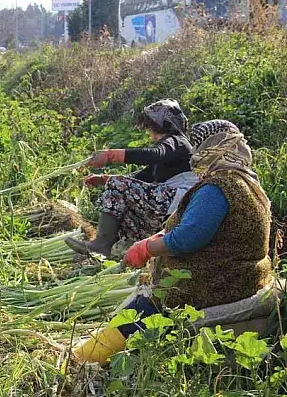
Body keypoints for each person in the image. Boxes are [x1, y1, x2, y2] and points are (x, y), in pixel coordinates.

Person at [73, 120, 273, 364]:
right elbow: (209, 230)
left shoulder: (218, 187)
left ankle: (84, 359)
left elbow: (187, 238)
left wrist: (148, 248)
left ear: (208, 148)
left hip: (218, 282)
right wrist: (159, 237)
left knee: (144, 309)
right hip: (242, 276)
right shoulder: (247, 183)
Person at [65, 99, 198, 256]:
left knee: (118, 185)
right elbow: (139, 179)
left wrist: (110, 155)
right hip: (169, 203)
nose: (149, 133)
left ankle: (102, 244)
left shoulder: (177, 141)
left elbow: (154, 154)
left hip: (179, 199)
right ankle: (119, 247)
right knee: (117, 189)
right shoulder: (168, 155)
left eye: (150, 128)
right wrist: (103, 179)